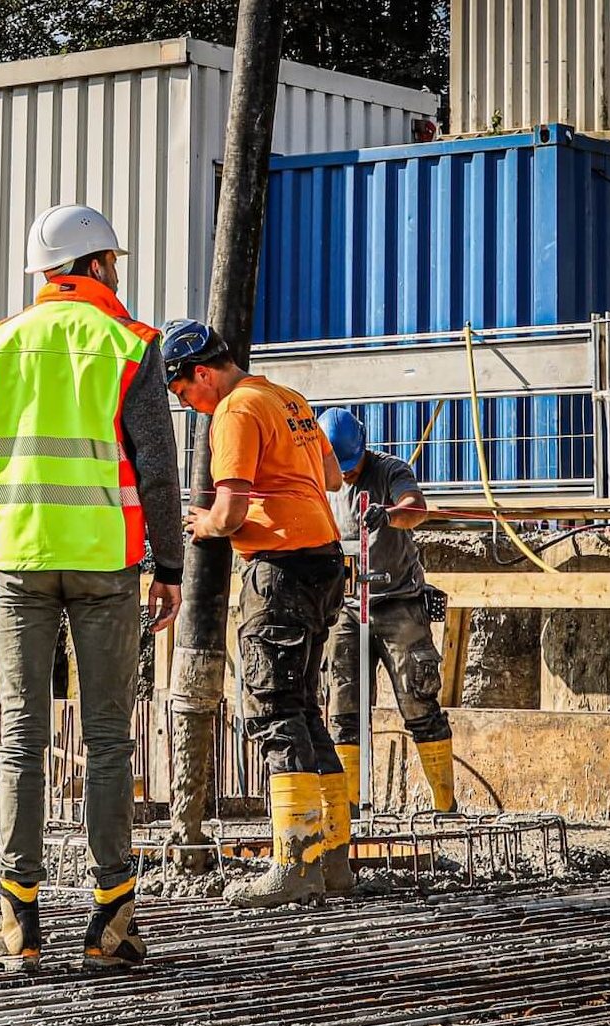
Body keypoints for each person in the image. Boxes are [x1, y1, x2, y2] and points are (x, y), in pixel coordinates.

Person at [0, 204, 183, 971]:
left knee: (22, 737)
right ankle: (111, 922)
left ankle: (17, 922)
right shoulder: (131, 343)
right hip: (106, 562)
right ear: (92, 264)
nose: (116, 271)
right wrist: (170, 565)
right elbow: (158, 467)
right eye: (111, 260)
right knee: (108, 737)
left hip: (20, 560)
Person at [163, 318, 352, 909]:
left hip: (280, 570)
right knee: (305, 710)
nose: (188, 405)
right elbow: (332, 476)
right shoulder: (287, 398)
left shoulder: (235, 410)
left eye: (183, 392)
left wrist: (202, 524)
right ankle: (332, 859)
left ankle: (293, 865)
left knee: (274, 710)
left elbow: (230, 513)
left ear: (201, 373)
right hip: (324, 560)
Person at [319, 407, 456, 814]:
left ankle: (444, 806)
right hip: (346, 606)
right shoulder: (321, 478)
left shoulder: (390, 470)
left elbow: (416, 508)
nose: (346, 474)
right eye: (339, 467)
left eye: (351, 465)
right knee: (344, 709)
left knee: (419, 702)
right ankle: (348, 809)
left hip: (398, 603)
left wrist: (390, 515)